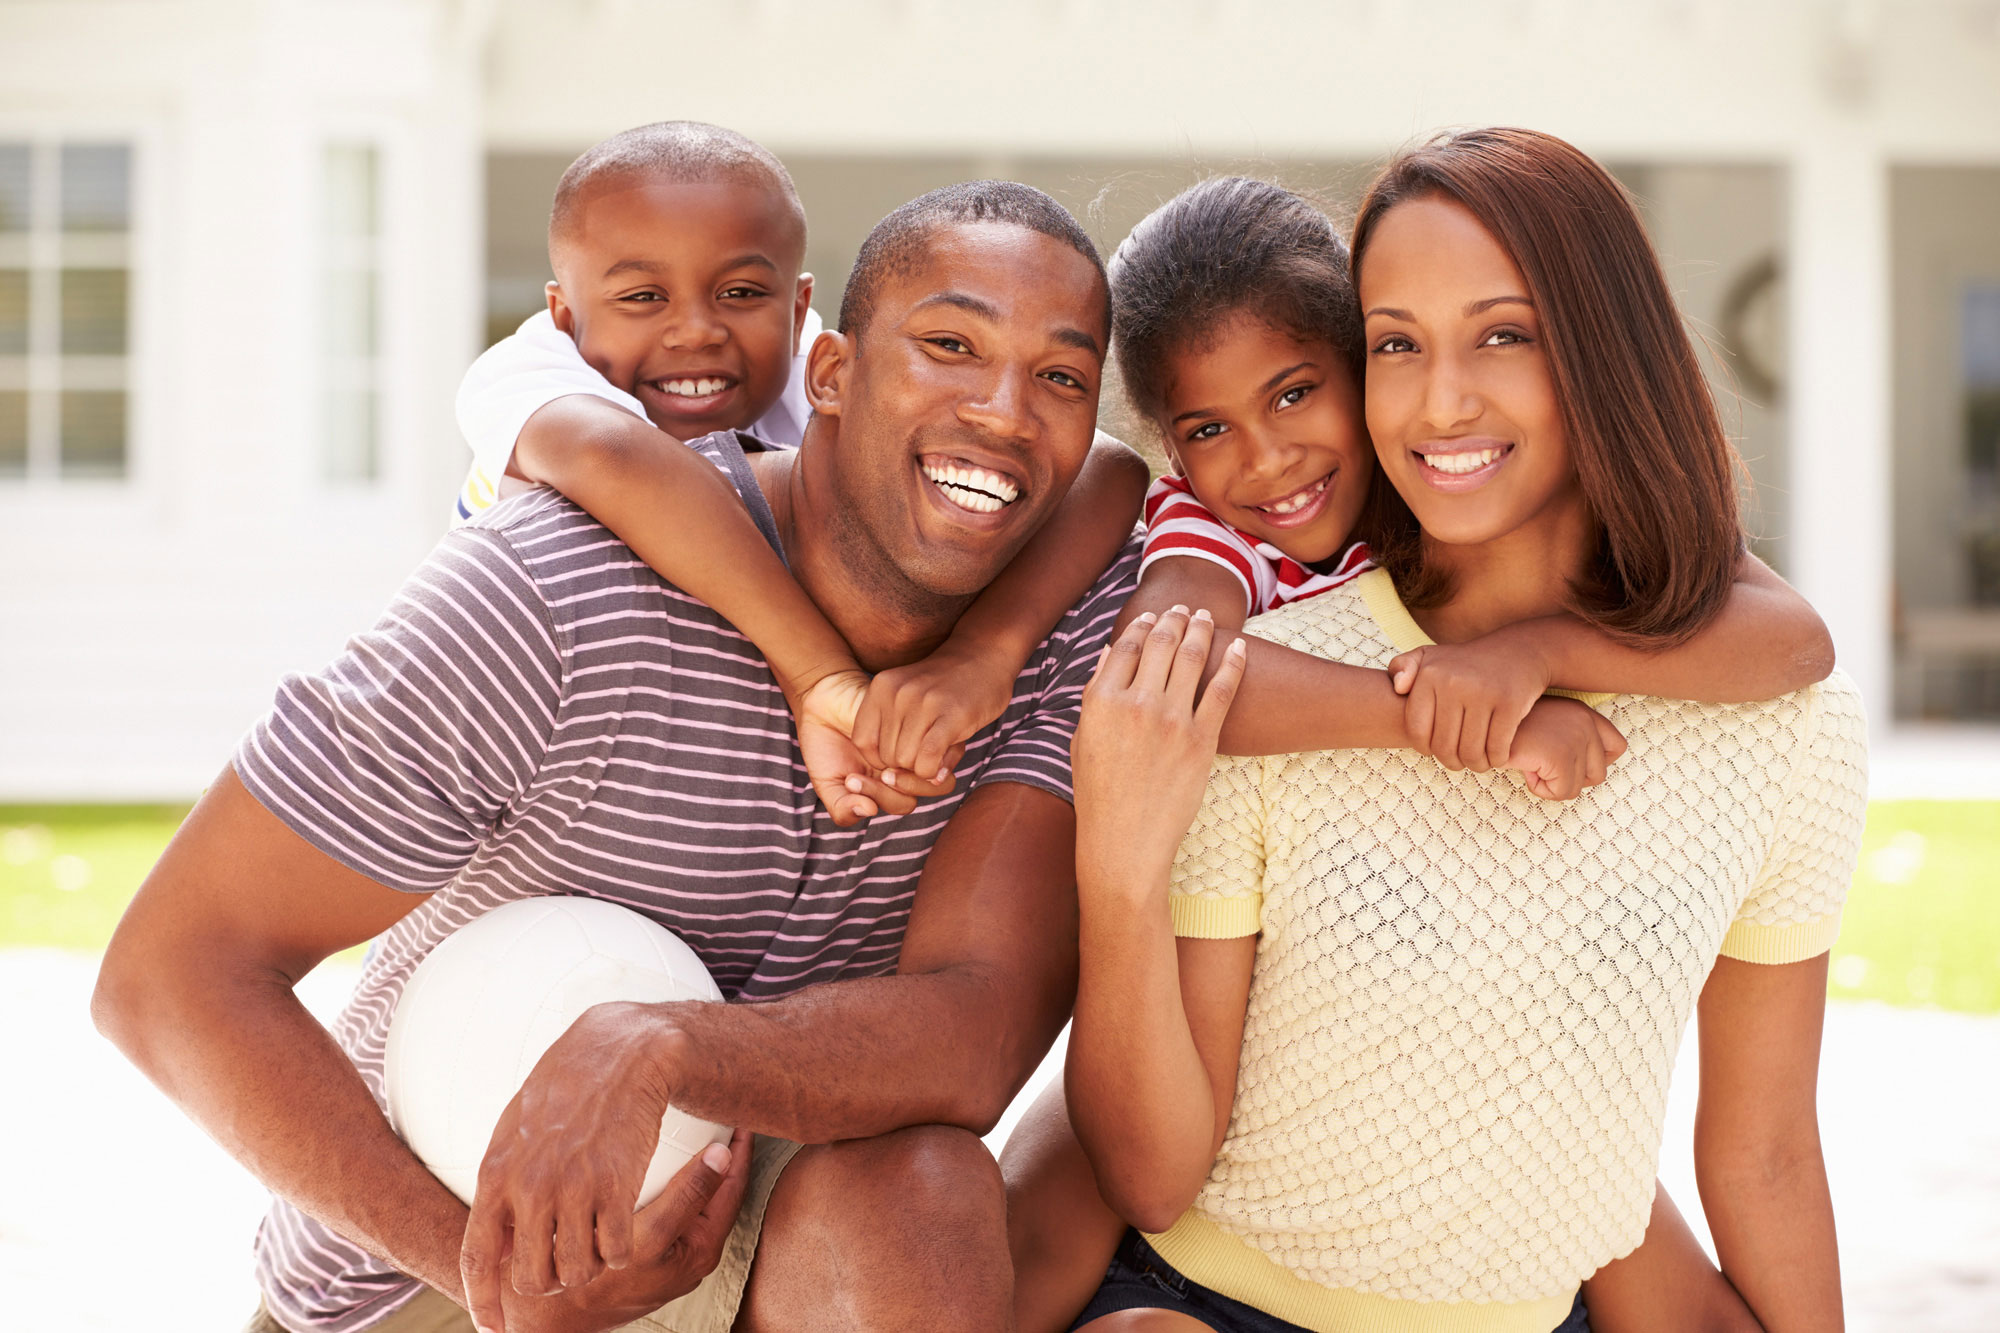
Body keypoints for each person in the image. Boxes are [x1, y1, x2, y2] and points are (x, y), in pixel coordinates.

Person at [92, 179, 1139, 1333]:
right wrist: (499, 1283)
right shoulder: (556, 586)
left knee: (924, 1194)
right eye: (949, 345)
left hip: (748, 1234)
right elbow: (172, 975)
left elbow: (978, 1033)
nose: (1002, 411)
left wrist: (658, 1048)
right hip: (439, 1261)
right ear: (828, 373)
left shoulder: (1061, 627)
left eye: (1059, 377)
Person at [1041, 137, 1867, 1333]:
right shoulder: (1257, 658)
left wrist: (1535, 657)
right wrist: (1433, 707)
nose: (1438, 402)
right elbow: (1157, 1170)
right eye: (1394, 345)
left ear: (1602, 350)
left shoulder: (1773, 718)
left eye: (1502, 333)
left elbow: (1768, 1152)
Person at [448, 121, 1147, 817]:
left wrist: (986, 655)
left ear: (799, 312)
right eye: (642, 298)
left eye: (743, 293)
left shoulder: (819, 371)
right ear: (564, 314)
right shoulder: (530, 373)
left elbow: (1109, 468)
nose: (697, 330)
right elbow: (630, 465)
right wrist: (820, 676)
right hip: (516, 732)